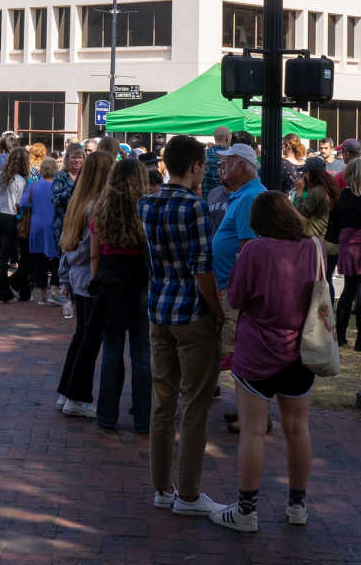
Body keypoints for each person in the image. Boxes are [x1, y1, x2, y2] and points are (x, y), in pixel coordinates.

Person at [209, 192, 322, 532]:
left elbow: (237, 296)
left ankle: (246, 510)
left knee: (253, 433)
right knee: (298, 429)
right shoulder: (312, 247)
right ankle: (298, 505)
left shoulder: (254, 250)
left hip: (258, 350)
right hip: (300, 349)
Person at [141, 134, 224, 517]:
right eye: (203, 165)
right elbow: (202, 267)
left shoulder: (147, 204)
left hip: (159, 310)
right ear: (194, 167)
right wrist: (217, 310)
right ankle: (188, 494)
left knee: (164, 402)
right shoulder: (195, 207)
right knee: (194, 405)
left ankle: (162, 487)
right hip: (191, 313)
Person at [90, 156, 151, 434]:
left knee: (112, 349)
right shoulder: (147, 208)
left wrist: (95, 281)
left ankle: (106, 414)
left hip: (111, 280)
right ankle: (144, 417)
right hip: (140, 279)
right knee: (141, 352)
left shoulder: (102, 209)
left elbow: (94, 252)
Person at [56, 150, 114, 417]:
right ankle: (77, 396)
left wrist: (66, 273)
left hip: (78, 276)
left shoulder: (80, 202)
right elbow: (87, 248)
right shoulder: (96, 205)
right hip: (89, 277)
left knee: (82, 336)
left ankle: (67, 391)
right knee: (89, 339)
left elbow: (69, 247)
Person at [212, 144, 266, 377]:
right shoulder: (244, 195)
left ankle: (251, 409)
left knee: (236, 354)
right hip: (230, 285)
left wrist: (235, 288)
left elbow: (249, 248)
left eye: (227, 162)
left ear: (242, 166)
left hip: (234, 289)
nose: (222, 167)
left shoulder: (249, 197)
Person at [327, 157, 361, 350]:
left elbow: (333, 221)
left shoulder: (343, 195)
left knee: (348, 289)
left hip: (347, 242)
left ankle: (341, 336)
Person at [0, 145, 29, 304]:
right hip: (9, 219)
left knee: (2, 256)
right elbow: (20, 205)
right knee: (3, 259)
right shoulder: (20, 180)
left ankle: (5, 293)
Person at [20, 157, 61, 304]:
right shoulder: (59, 186)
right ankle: (54, 291)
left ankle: (43, 294)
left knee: (39, 260)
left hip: (36, 226)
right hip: (55, 226)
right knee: (57, 259)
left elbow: (23, 203)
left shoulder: (33, 186)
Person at [294, 161, 338, 240]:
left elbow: (300, 213)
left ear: (311, 174)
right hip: (318, 235)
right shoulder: (323, 188)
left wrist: (299, 193)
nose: (303, 176)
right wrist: (304, 189)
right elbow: (306, 202)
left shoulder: (317, 191)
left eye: (305, 172)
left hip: (313, 236)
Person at [203, 126, 232, 199]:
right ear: (227, 138)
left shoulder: (203, 154)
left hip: (207, 201)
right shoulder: (232, 156)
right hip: (226, 203)